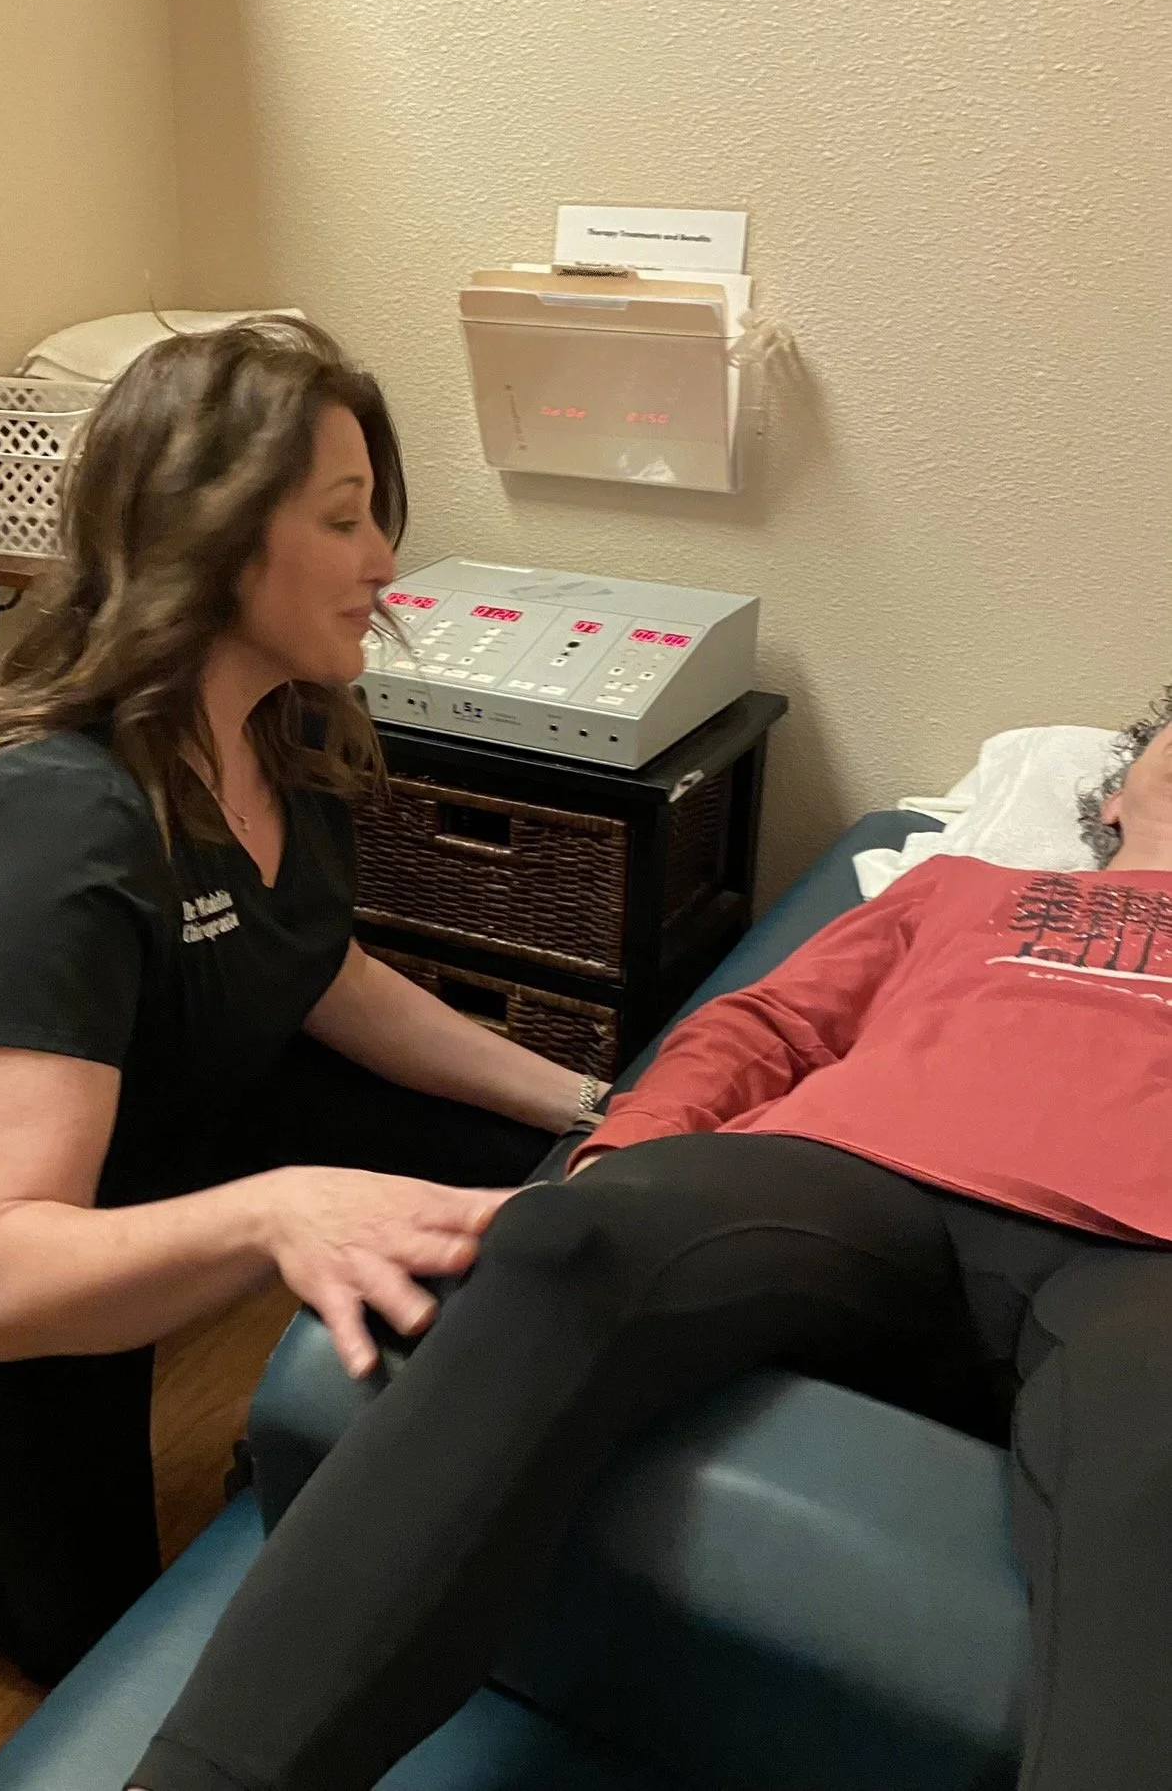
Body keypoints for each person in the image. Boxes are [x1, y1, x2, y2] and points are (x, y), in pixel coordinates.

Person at [0, 317, 605, 1683]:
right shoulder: (58, 829)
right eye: (346, 521)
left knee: (535, 1162)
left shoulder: (285, 726)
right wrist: (280, 1210)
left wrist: (588, 1097)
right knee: (76, 1634)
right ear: (211, 541)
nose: (387, 562)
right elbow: (9, 1273)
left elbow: (313, 962)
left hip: (158, 1136)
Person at [126, 692, 1172, 1791]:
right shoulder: (964, 889)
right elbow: (762, 1025)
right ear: (1114, 791)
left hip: (1144, 1264)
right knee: (568, 1242)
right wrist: (625, 1151)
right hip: (858, 1179)